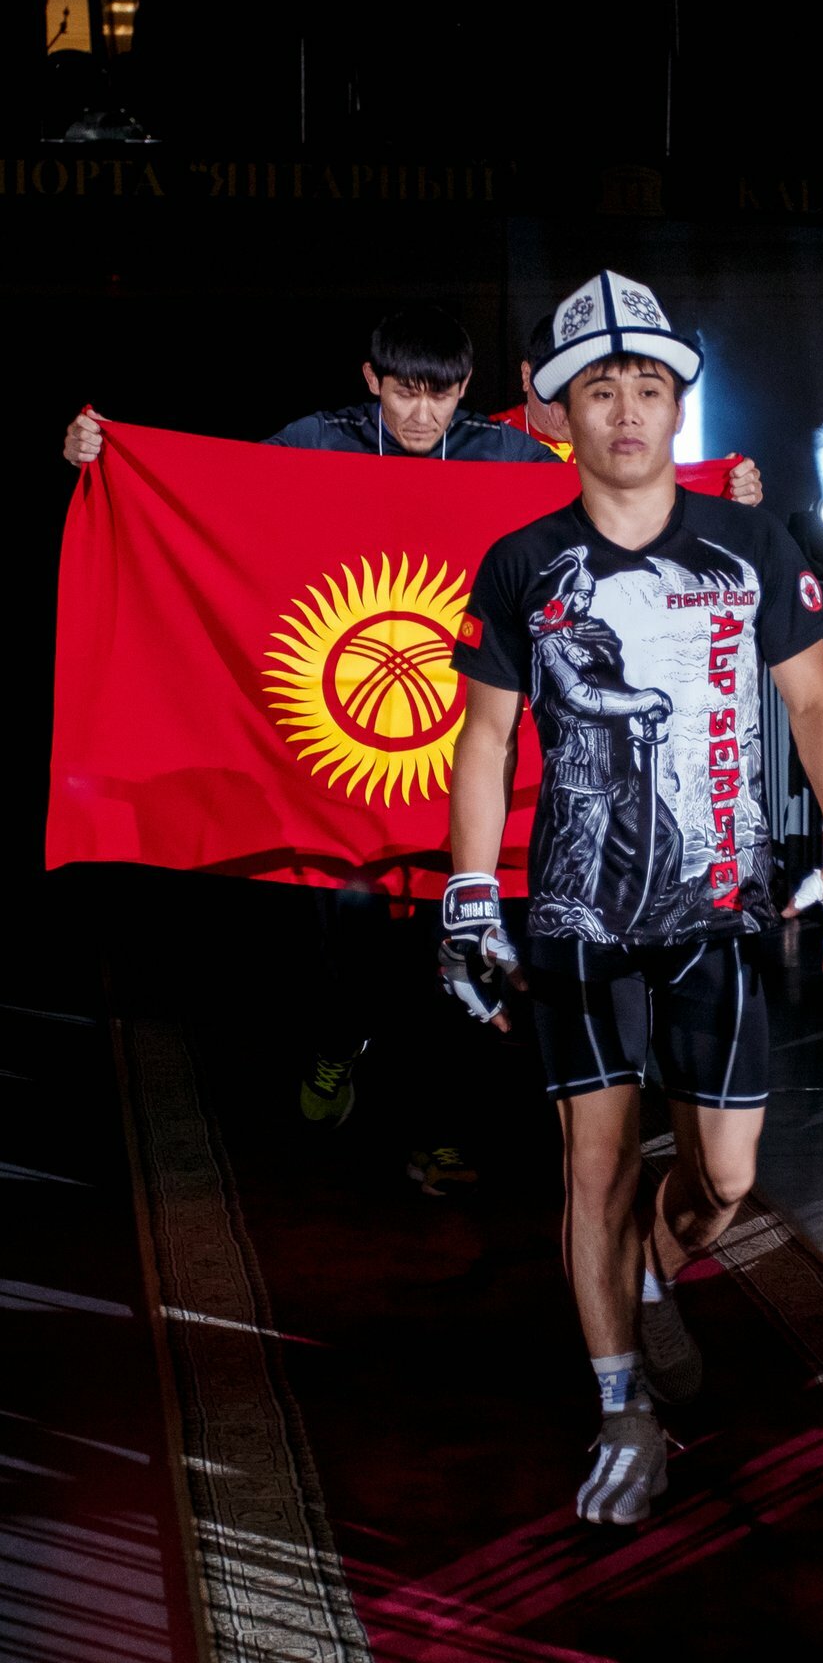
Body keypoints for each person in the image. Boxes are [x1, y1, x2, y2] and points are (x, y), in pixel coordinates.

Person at [440, 269, 823, 1526]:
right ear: (557, 414)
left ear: (677, 409)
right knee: (591, 1167)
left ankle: (648, 1270)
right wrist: (468, 892)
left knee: (724, 1182)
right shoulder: (522, 562)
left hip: (717, 905)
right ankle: (619, 1406)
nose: (627, 411)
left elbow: (814, 701)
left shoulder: (749, 543)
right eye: (600, 391)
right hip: (578, 910)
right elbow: (485, 737)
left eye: (647, 388)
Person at [62, 301, 559, 1192]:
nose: (422, 414)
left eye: (442, 395)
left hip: (458, 757)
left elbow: (616, 500)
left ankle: (438, 1132)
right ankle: (338, 1042)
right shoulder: (319, 439)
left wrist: (721, 491)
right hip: (337, 758)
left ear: (466, 390)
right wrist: (104, 454)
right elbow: (207, 493)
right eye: (404, 392)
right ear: (372, 382)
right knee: (352, 948)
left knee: (456, 945)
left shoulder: (506, 457)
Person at [490, 311, 766, 506]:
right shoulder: (486, 442)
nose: (566, 405)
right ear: (527, 376)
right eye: (553, 388)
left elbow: (663, 504)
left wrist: (728, 491)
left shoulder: (623, 436)